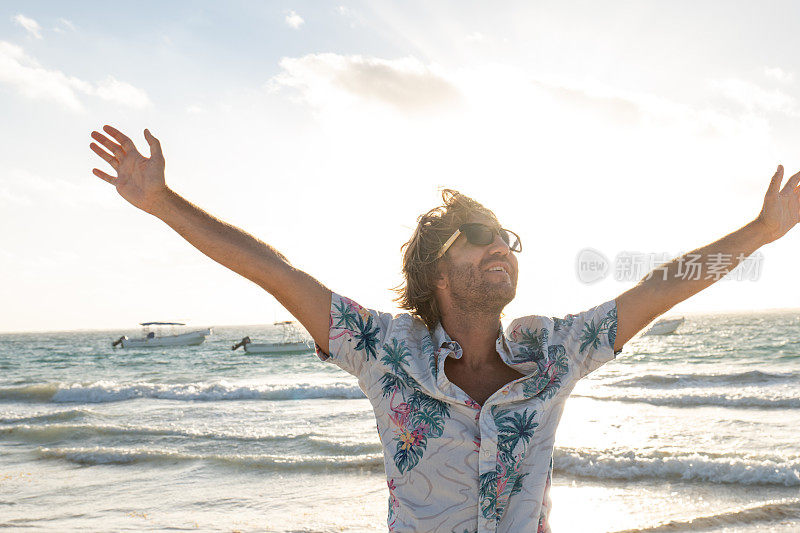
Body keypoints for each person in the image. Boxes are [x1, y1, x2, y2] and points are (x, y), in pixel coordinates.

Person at [89, 125, 800, 532]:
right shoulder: (385, 350)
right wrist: (160, 200)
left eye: (507, 236)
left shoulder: (555, 349)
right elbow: (275, 270)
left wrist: (764, 232)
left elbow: (658, 286)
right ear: (437, 268)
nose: (502, 247)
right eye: (480, 234)